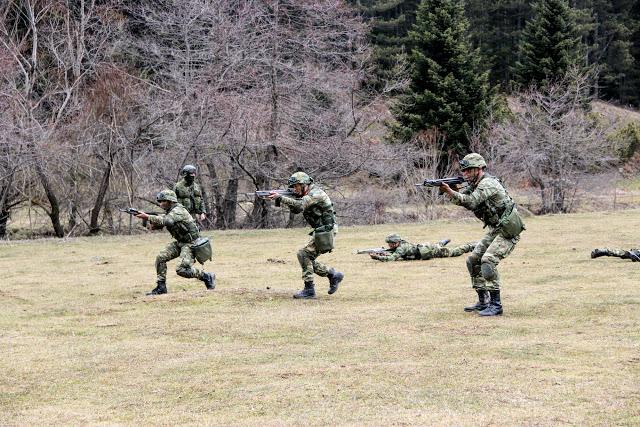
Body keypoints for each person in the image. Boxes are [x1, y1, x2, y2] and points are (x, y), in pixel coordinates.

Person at [438, 153, 525, 316]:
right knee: (473, 260)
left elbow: (471, 201)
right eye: (463, 171)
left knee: (488, 260)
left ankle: (496, 305)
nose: (465, 174)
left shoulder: (487, 184)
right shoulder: (476, 183)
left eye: (468, 170)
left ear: (479, 169)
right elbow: (466, 201)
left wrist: (450, 191)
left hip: (508, 230)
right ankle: (483, 300)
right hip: (496, 228)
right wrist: (452, 192)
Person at [267, 171, 344, 299]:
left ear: (304, 184)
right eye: (293, 187)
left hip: (326, 230)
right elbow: (297, 209)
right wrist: (286, 198)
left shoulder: (316, 193)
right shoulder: (306, 194)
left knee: (304, 254)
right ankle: (332, 275)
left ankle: (310, 290)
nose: (294, 189)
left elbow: (300, 204)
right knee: (306, 257)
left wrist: (280, 198)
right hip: (321, 229)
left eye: (296, 186)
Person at [135, 189, 215, 295]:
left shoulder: (178, 210)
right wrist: (150, 223)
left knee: (182, 270)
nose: (161, 204)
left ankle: (206, 276)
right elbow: (161, 224)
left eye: (163, 201)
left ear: (170, 201)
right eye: (160, 201)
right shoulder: (170, 212)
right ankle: (161, 287)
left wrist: (147, 216)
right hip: (180, 242)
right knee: (161, 258)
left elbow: (168, 221)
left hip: (191, 244)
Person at [369, 234, 476, 262]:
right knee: (437, 246)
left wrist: (377, 257)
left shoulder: (401, 248)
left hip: (430, 251)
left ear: (396, 242)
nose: (389, 246)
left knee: (455, 252)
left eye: (391, 244)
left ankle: (471, 246)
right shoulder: (400, 246)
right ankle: (441, 243)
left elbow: (392, 258)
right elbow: (393, 254)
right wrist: (384, 253)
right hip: (426, 248)